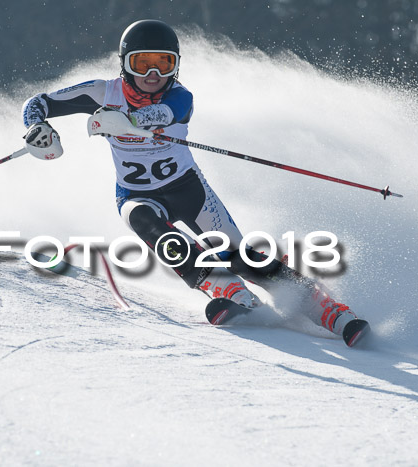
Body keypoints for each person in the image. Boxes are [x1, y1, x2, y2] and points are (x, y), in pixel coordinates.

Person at [21, 19, 369, 346]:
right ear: (125, 64)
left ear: (176, 66)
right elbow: (37, 103)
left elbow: (164, 113)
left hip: (189, 190)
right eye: (143, 64)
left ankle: (325, 309)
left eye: (164, 64)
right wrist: (37, 128)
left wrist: (127, 119)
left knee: (239, 254)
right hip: (136, 194)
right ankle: (225, 289)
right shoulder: (101, 92)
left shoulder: (180, 96)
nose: (154, 74)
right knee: (149, 224)